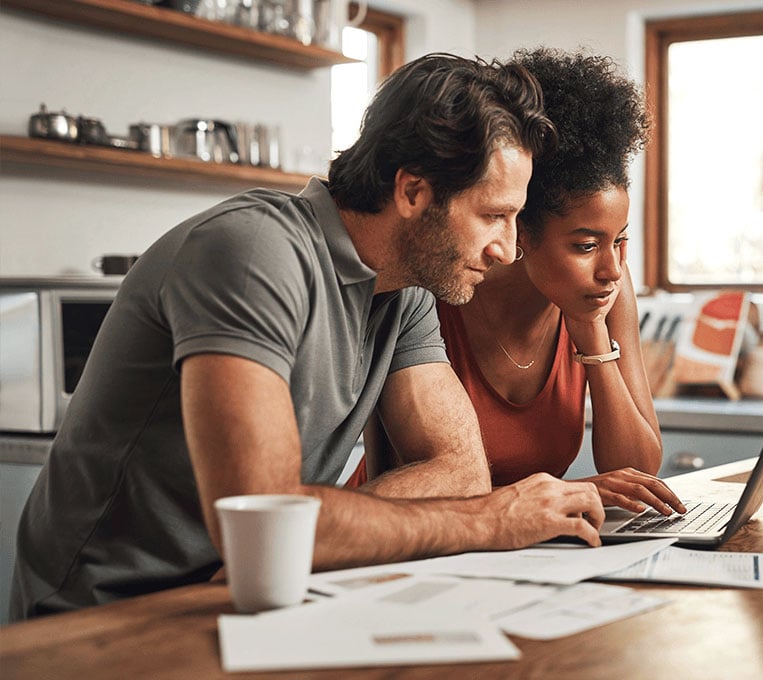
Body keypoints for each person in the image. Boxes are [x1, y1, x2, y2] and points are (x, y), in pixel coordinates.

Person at [10, 53, 607, 621]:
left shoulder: (406, 290)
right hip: (110, 614)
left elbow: (459, 472)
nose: (505, 249)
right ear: (413, 193)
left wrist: (308, 535)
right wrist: (485, 522)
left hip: (256, 592)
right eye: (492, 215)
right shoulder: (253, 253)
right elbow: (266, 522)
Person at [350, 48, 686, 517]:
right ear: (520, 229)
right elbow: (414, 476)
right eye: (586, 246)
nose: (611, 269)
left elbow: (639, 470)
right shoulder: (439, 284)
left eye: (621, 242)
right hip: (405, 531)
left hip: (521, 543)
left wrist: (590, 335)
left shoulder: (603, 292)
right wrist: (572, 492)